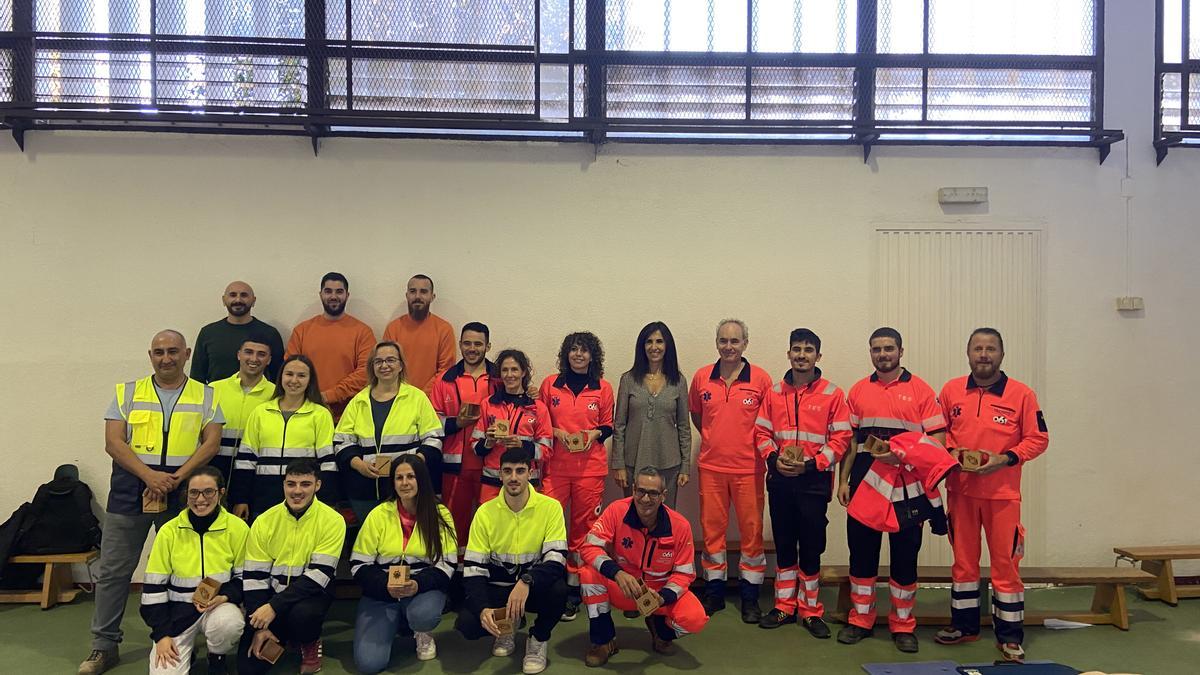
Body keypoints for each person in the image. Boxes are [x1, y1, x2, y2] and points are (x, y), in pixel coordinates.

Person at [80, 330, 224, 675]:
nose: (166, 358)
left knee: (188, 568)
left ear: (186, 354)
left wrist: (176, 479)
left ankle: (187, 637)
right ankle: (103, 646)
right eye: (159, 352)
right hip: (131, 490)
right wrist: (150, 477)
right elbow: (114, 442)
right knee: (115, 571)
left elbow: (210, 444)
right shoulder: (127, 392)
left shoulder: (206, 395)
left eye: (173, 351)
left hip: (183, 492)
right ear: (150, 355)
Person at [934, 328, 1049, 664]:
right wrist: (952, 454)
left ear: (1002, 354)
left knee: (1006, 567)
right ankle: (964, 626)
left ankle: (1010, 638)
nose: (983, 355)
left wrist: (1004, 459)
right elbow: (939, 437)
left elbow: (1038, 439)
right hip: (961, 493)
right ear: (967, 353)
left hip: (1003, 496)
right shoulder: (951, 391)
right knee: (964, 564)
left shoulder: (1022, 395)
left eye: (991, 349)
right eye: (977, 349)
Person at [836, 327, 946, 653]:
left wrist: (900, 452)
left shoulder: (922, 391)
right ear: (870, 352)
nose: (882, 354)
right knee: (862, 558)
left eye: (888, 348)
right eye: (876, 349)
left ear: (901, 350)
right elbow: (850, 444)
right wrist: (843, 482)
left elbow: (938, 443)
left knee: (904, 559)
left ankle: (903, 625)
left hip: (907, 490)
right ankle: (860, 620)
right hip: (864, 489)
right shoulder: (857, 391)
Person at [753, 328, 851, 637]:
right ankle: (784, 606)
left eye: (808, 350)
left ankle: (810, 611)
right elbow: (762, 433)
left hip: (813, 483)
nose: (801, 355)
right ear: (789, 354)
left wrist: (811, 465)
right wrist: (773, 460)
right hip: (780, 481)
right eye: (796, 349)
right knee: (784, 544)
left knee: (810, 547)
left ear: (818, 356)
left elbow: (841, 439)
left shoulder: (833, 394)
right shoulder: (773, 392)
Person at [687, 318, 772, 622]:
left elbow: (767, 425)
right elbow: (698, 417)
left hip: (749, 469)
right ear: (716, 343)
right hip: (711, 468)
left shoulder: (761, 379)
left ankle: (750, 598)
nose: (729, 347)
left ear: (745, 344)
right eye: (723, 341)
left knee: (751, 534)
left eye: (735, 341)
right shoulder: (701, 378)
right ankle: (714, 594)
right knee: (712, 534)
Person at [579, 468, 708, 667]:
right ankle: (603, 642)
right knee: (588, 575)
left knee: (695, 619)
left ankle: (660, 630)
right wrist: (617, 572)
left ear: (663, 496)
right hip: (624, 589)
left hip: (659, 594)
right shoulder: (616, 510)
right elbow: (589, 547)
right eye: (641, 491)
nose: (645, 499)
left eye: (653, 493)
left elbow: (685, 574)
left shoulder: (680, 526)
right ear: (633, 490)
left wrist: (663, 597)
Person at [457, 448, 568, 675]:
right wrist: (482, 609)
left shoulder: (551, 508)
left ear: (530, 473)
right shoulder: (484, 512)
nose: (514, 477)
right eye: (508, 471)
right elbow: (473, 570)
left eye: (520, 471)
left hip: (531, 589)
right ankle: (507, 627)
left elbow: (556, 561)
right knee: (468, 624)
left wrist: (527, 580)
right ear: (500, 475)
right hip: (499, 590)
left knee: (559, 590)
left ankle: (537, 639)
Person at [350, 455, 458, 672]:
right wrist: (384, 586)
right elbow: (358, 565)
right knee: (369, 665)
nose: (405, 483)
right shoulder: (379, 514)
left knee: (423, 617)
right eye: (399, 477)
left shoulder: (440, 514)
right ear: (393, 482)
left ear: (421, 480)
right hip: (382, 593)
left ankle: (421, 631)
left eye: (411, 476)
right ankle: (398, 622)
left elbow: (447, 564)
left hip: (421, 590)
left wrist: (417, 584)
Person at [239, 459, 346, 675]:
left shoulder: (333, 520)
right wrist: (262, 626)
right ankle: (283, 636)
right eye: (291, 484)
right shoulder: (264, 520)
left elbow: (318, 576)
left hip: (310, 596)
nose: (297, 491)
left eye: (305, 484)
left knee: (303, 617)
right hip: (272, 599)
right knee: (248, 669)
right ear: (284, 485)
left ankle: (309, 641)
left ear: (318, 485)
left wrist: (273, 608)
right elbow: (253, 576)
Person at [140, 467, 249, 675]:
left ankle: (217, 656)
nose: (201, 499)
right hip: (176, 615)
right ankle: (185, 650)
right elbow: (153, 588)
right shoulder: (169, 532)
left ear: (221, 493)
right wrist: (161, 635)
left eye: (208, 492)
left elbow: (245, 577)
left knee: (229, 624)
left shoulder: (238, 528)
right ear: (186, 495)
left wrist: (225, 596)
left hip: (217, 608)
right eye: (194, 492)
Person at [539, 331, 615, 621]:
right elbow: (541, 420)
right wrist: (557, 433)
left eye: (584, 350)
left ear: (593, 355)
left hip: (590, 471)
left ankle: (574, 590)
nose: (578, 355)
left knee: (583, 533)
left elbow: (608, 425)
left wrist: (593, 434)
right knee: (550, 527)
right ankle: (549, 585)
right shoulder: (550, 385)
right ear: (565, 354)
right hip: (556, 469)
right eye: (573, 350)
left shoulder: (603, 388)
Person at [335, 341, 444, 524]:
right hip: (365, 490)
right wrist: (360, 466)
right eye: (378, 361)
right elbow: (341, 442)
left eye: (391, 360)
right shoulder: (358, 401)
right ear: (372, 367)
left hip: (407, 488)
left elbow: (434, 439)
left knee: (405, 542)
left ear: (401, 365)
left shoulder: (417, 398)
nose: (384, 365)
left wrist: (411, 467)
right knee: (369, 543)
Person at [231, 355, 339, 519]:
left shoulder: (320, 414)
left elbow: (328, 463)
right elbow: (246, 460)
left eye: (301, 375)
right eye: (289, 374)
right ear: (280, 376)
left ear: (310, 380)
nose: (294, 380)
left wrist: (328, 500)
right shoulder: (261, 412)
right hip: (264, 495)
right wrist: (241, 499)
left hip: (303, 496)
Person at [428, 322, 497, 547]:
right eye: (467, 343)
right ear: (459, 345)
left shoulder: (500, 378)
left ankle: (484, 569)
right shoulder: (445, 380)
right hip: (455, 466)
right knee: (455, 524)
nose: (472, 348)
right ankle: (456, 571)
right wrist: (457, 423)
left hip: (492, 465)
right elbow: (432, 422)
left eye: (478, 343)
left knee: (492, 523)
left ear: (487, 346)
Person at [612, 321, 691, 509]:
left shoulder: (678, 381)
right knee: (635, 513)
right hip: (633, 462)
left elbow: (684, 427)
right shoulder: (628, 380)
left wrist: (685, 466)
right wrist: (618, 465)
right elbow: (619, 425)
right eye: (649, 342)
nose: (654, 347)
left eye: (659, 342)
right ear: (642, 346)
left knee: (665, 515)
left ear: (667, 346)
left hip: (669, 463)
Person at [285, 272, 376, 419]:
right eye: (328, 291)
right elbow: (290, 370)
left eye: (339, 291)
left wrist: (329, 396)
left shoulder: (363, 332)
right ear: (321, 295)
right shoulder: (301, 331)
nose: (333, 296)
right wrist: (313, 398)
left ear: (347, 295)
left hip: (349, 417)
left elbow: (365, 372)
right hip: (305, 413)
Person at [472, 349, 553, 503]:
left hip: (526, 483)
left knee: (524, 527)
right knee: (490, 526)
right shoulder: (488, 404)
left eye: (514, 369)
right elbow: (475, 447)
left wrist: (522, 445)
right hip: (492, 481)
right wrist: (488, 442)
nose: (509, 375)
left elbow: (547, 451)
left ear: (523, 372)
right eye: (505, 370)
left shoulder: (538, 408)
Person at [209, 336, 276, 493]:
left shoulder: (276, 394)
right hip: (215, 469)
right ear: (239, 355)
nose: (254, 358)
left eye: (261, 354)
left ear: (269, 360)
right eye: (248, 352)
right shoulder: (213, 389)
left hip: (254, 472)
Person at [191, 281, 286, 383]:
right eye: (232, 295)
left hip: (258, 398)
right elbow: (197, 378)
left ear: (253, 301)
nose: (238, 299)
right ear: (223, 300)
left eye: (244, 295)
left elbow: (278, 376)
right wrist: (207, 399)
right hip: (216, 397)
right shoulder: (208, 333)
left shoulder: (270, 333)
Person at [382, 274, 457, 392]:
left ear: (432, 297)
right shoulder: (393, 328)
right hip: (398, 398)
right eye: (413, 291)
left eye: (423, 292)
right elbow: (387, 367)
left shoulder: (444, 329)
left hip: (430, 400)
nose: (417, 296)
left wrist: (421, 397)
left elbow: (445, 370)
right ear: (407, 296)